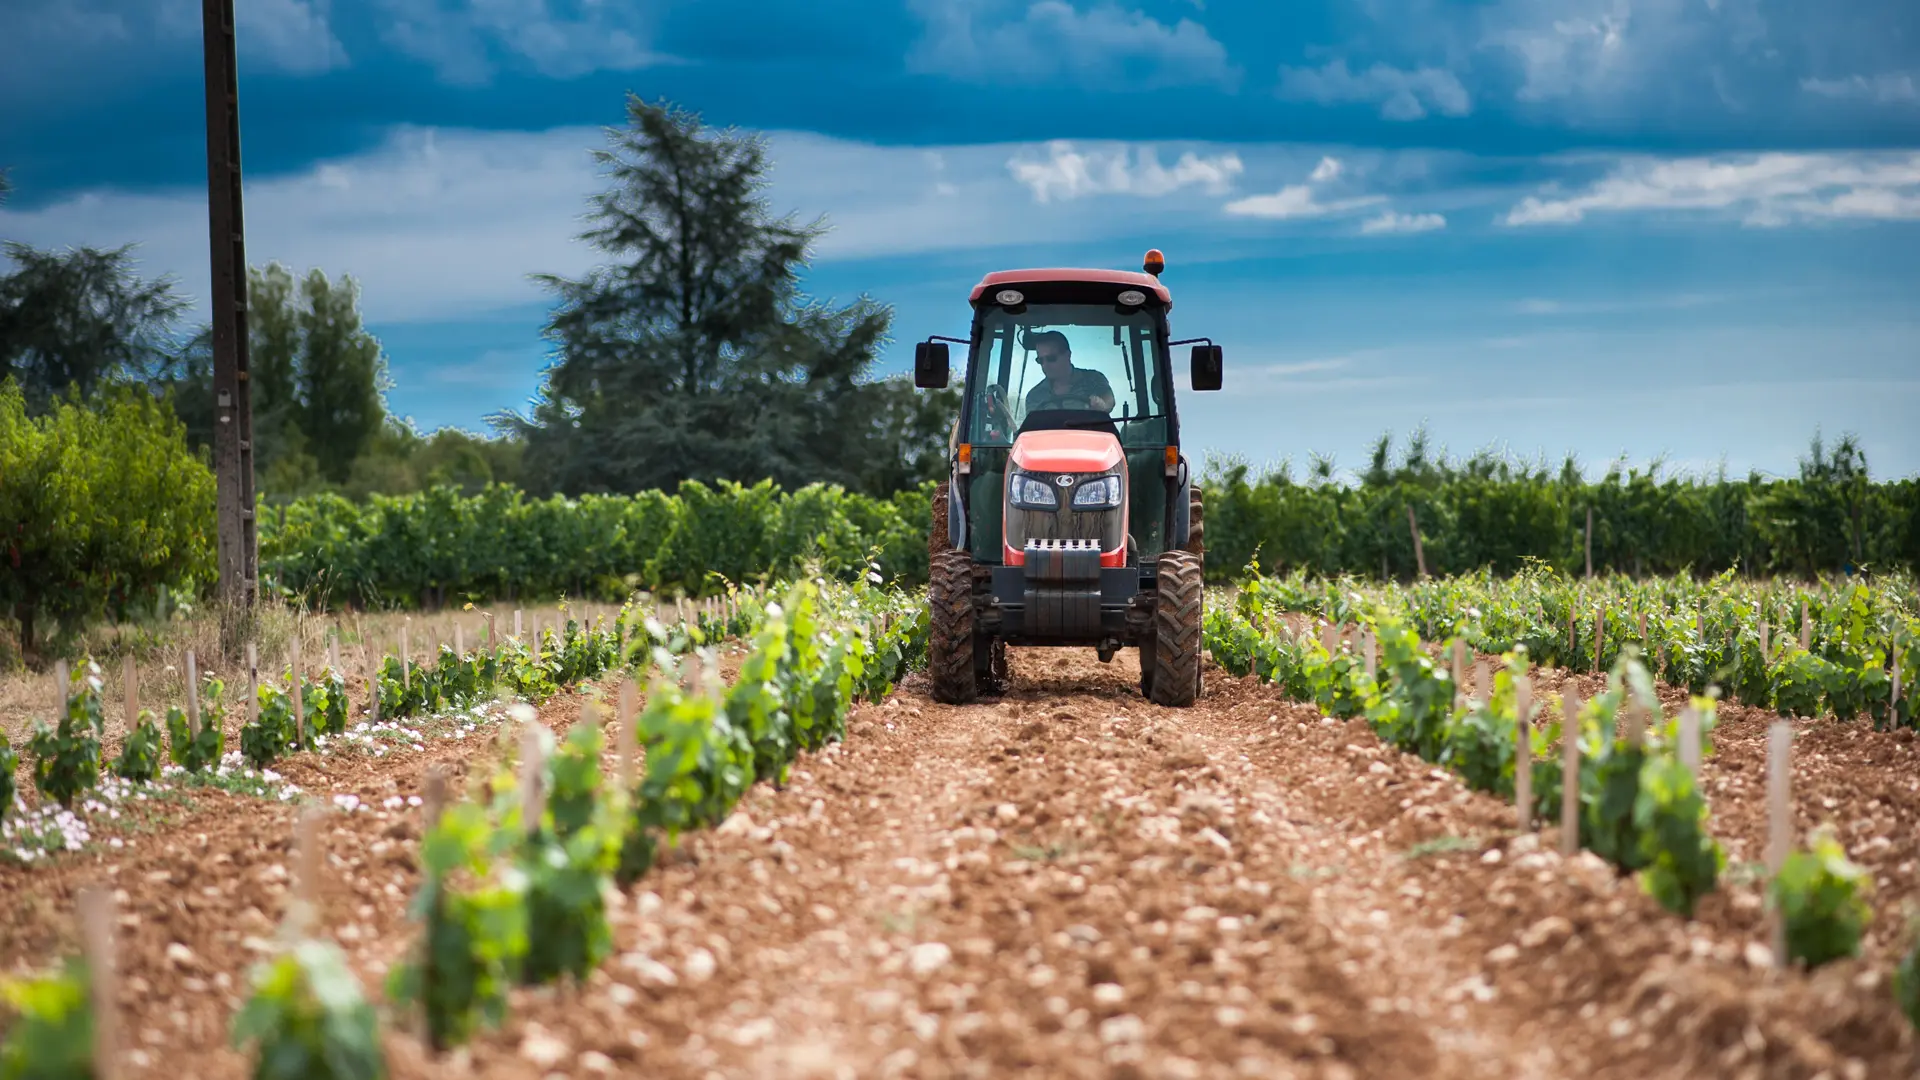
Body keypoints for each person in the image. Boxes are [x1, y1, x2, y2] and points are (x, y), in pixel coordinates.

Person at [1023, 331, 1115, 414]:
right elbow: (1033, 428)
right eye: (1040, 360)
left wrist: (1102, 406)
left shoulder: (1093, 379)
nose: (1045, 365)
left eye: (1051, 358)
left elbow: (1108, 400)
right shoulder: (1035, 396)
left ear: (1068, 355)